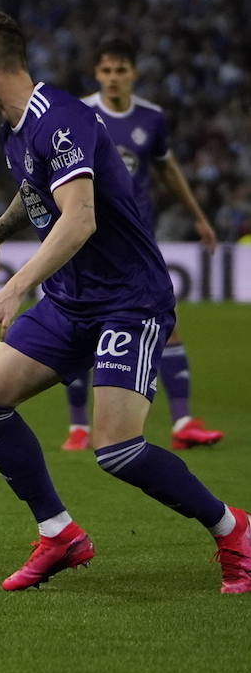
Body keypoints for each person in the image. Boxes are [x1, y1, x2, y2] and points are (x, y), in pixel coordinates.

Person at [0, 12, 249, 593]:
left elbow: (79, 219)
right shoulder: (16, 130)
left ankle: (234, 529)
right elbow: (35, 192)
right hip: (71, 301)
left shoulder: (60, 119)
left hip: (127, 303)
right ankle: (59, 532)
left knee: (116, 451)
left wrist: (13, 288)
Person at [59, 40, 223, 452]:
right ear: (97, 74)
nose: (114, 77)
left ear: (133, 72)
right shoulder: (78, 114)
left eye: (121, 70)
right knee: (81, 323)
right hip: (89, 238)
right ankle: (79, 426)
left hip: (136, 242)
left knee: (166, 321)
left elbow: (167, 170)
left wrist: (198, 216)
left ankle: (183, 420)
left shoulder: (152, 118)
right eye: (107, 70)